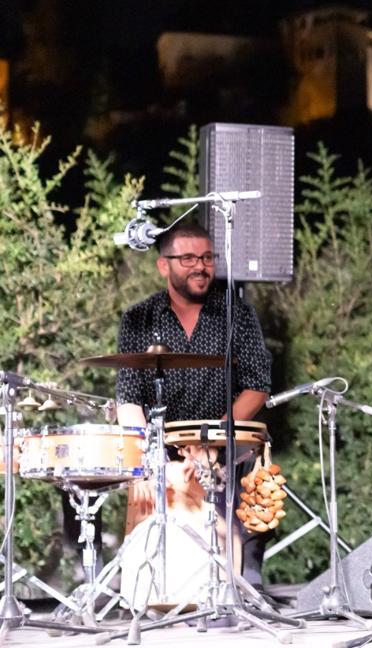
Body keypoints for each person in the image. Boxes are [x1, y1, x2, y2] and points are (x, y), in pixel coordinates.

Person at [115, 222, 273, 586]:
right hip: (164, 444)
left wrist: (212, 442)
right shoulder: (138, 318)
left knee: (253, 463)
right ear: (164, 265)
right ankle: (149, 581)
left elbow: (257, 387)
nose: (200, 266)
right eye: (187, 258)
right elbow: (128, 396)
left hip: (225, 436)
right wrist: (146, 456)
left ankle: (245, 574)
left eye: (206, 257)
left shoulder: (237, 313)